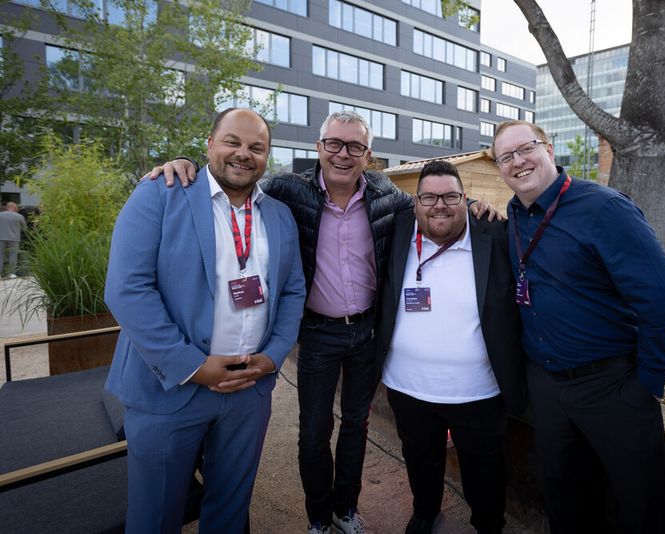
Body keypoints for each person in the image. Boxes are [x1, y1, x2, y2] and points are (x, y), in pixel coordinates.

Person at [149, 110, 499, 534]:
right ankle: (318, 516)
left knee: (356, 426)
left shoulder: (388, 196)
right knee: (314, 433)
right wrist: (184, 163)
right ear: (319, 147)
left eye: (355, 146)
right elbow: (232, 177)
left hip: (366, 332)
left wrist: (476, 204)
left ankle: (345, 509)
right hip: (317, 332)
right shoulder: (285, 190)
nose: (343, 154)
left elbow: (433, 208)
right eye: (334, 143)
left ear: (368, 155)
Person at [104, 108, 306, 533]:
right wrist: (193, 368)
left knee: (231, 511)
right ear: (210, 144)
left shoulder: (279, 214)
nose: (243, 154)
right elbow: (128, 290)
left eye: (257, 147)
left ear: (267, 157)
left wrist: (271, 357)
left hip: (248, 389)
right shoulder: (161, 194)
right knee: (155, 516)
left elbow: (291, 292)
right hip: (170, 390)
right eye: (233, 142)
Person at [492, 120, 665, 534]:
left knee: (641, 505)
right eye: (505, 156)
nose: (517, 161)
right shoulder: (514, 214)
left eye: (525, 149)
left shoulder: (604, 208)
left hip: (612, 386)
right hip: (546, 386)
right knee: (564, 498)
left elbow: (664, 303)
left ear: (548, 149)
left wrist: (648, 383)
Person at [374, 161, 525, 534]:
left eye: (450, 196)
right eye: (429, 196)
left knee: (485, 472)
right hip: (407, 387)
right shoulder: (396, 231)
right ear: (415, 202)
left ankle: (489, 525)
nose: (439, 205)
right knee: (420, 460)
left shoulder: (493, 232)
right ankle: (425, 512)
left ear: (465, 199)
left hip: (478, 391)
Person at [0, 202, 27, 278]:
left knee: (0, 255)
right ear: (14, 208)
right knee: (13, 255)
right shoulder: (19, 216)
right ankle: (11, 273)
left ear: (7, 207)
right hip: (14, 238)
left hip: (1, 237)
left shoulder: (0, 215)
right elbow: (24, 228)